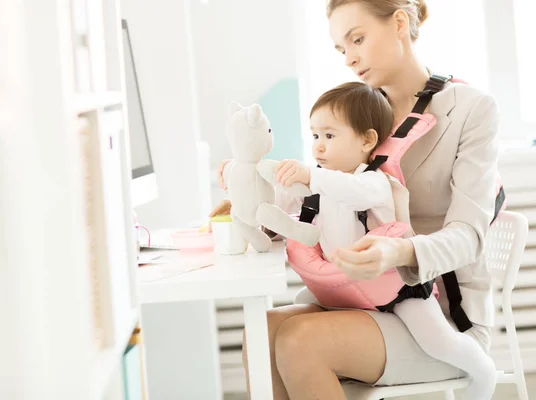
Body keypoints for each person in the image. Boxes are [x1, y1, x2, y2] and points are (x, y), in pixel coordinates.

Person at [210, 0, 500, 398]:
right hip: (355, 295)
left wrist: (398, 252)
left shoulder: (471, 109)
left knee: (300, 341)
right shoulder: (352, 109)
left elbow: (470, 236)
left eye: (357, 39)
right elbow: (321, 201)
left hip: (437, 315)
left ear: (399, 23)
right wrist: (250, 200)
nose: (349, 58)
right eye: (340, 49)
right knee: (259, 336)